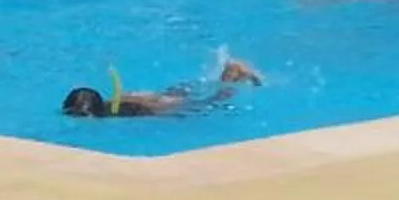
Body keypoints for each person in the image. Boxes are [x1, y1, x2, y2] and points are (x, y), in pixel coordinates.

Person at [61, 50, 263, 119]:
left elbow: (148, 108)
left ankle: (232, 74)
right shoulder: (110, 105)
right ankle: (229, 72)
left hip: (157, 104)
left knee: (212, 103)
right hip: (148, 98)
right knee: (195, 94)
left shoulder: (113, 113)